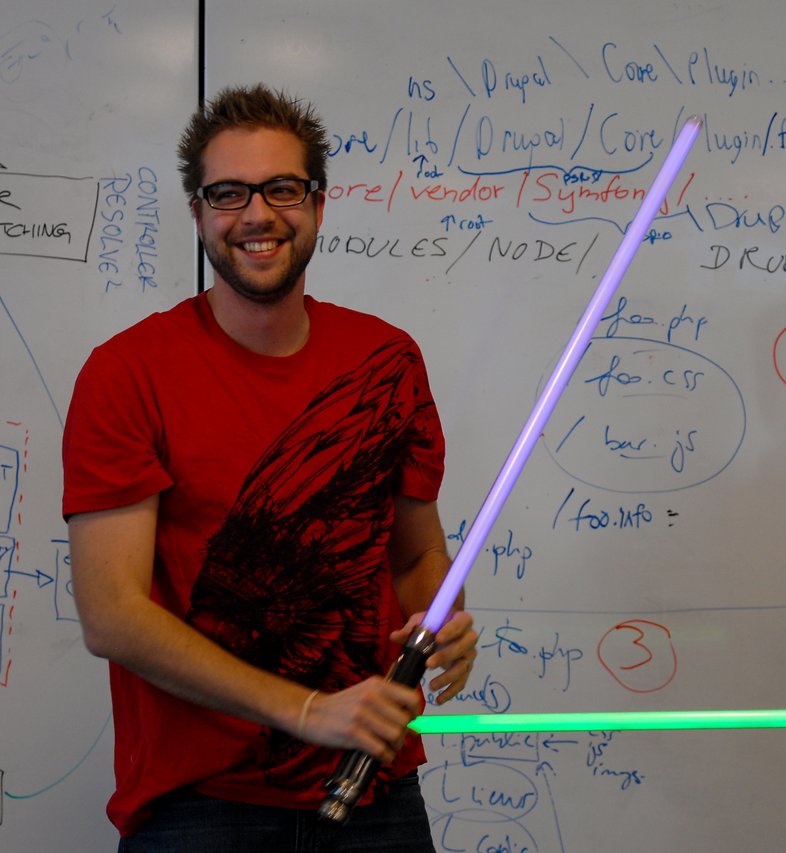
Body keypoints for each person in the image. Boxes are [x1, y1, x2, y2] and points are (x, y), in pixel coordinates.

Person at [62, 84, 477, 852]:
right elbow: (111, 613)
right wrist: (307, 709)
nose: (258, 214)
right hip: (200, 808)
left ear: (317, 204)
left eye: (282, 188)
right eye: (229, 193)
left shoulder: (386, 361)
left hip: (374, 787)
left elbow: (417, 555)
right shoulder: (127, 373)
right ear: (198, 214)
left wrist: (442, 619)